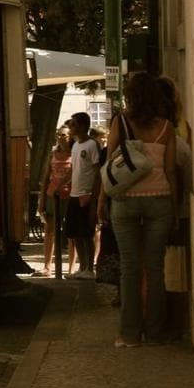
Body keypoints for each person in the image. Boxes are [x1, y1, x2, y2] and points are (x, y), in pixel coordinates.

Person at [98, 71, 178, 348]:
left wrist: (102, 200)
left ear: (129, 96)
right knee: (155, 269)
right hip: (160, 199)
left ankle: (130, 335)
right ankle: (155, 333)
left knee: (130, 269)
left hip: (125, 200)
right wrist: (174, 207)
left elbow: (109, 166)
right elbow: (170, 170)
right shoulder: (167, 127)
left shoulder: (120, 122)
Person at [35, 127, 73, 277]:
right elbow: (46, 177)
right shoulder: (53, 154)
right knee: (49, 230)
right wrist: (42, 200)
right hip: (52, 195)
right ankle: (47, 266)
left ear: (70, 137)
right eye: (58, 134)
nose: (60, 137)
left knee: (71, 231)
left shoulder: (74, 153)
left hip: (69, 195)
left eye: (63, 135)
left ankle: (71, 268)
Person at [66, 112, 99, 280]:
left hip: (86, 194)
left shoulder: (92, 145)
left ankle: (89, 268)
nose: (71, 128)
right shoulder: (75, 146)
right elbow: (74, 168)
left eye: (73, 125)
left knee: (86, 233)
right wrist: (62, 184)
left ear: (82, 126)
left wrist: (93, 195)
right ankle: (82, 266)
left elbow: (97, 171)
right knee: (75, 234)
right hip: (74, 193)